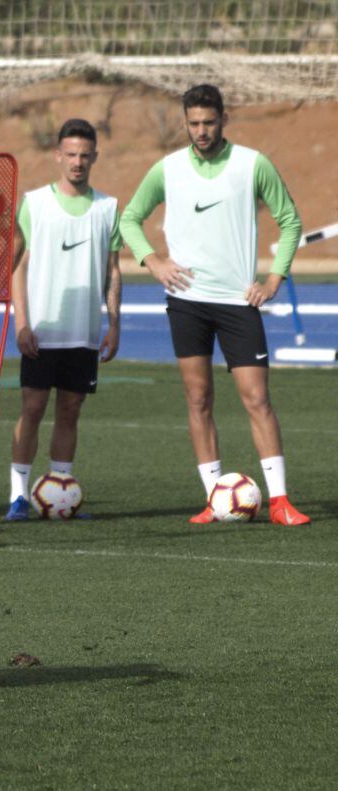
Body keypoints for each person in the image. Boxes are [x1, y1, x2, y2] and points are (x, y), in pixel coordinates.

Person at [120, 83, 310, 526]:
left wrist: (274, 279)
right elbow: (129, 218)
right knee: (198, 398)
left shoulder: (252, 164)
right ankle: (214, 497)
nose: (201, 131)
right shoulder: (167, 169)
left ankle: (280, 500)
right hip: (186, 303)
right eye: (193, 123)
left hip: (238, 303)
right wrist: (153, 261)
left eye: (209, 122)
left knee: (258, 398)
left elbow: (289, 220)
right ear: (185, 123)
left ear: (223, 119)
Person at [6, 118, 122, 521]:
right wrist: (22, 323)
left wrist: (114, 323)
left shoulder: (108, 207)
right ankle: (18, 495)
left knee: (70, 410)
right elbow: (16, 267)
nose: (77, 162)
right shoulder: (35, 203)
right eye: (70, 154)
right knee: (33, 408)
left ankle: (61, 490)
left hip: (84, 332)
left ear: (94, 157)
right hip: (42, 330)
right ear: (58, 155)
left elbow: (113, 270)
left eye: (84, 155)